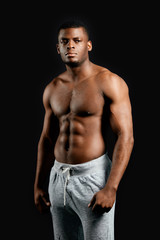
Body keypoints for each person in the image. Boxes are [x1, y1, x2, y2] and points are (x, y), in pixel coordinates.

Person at [34, 20, 134, 240]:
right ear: (58, 48)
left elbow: (125, 136)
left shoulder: (109, 82)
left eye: (77, 41)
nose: (70, 46)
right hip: (58, 178)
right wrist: (38, 184)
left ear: (88, 45)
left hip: (92, 178)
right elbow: (47, 139)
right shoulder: (53, 87)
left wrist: (111, 187)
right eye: (65, 41)